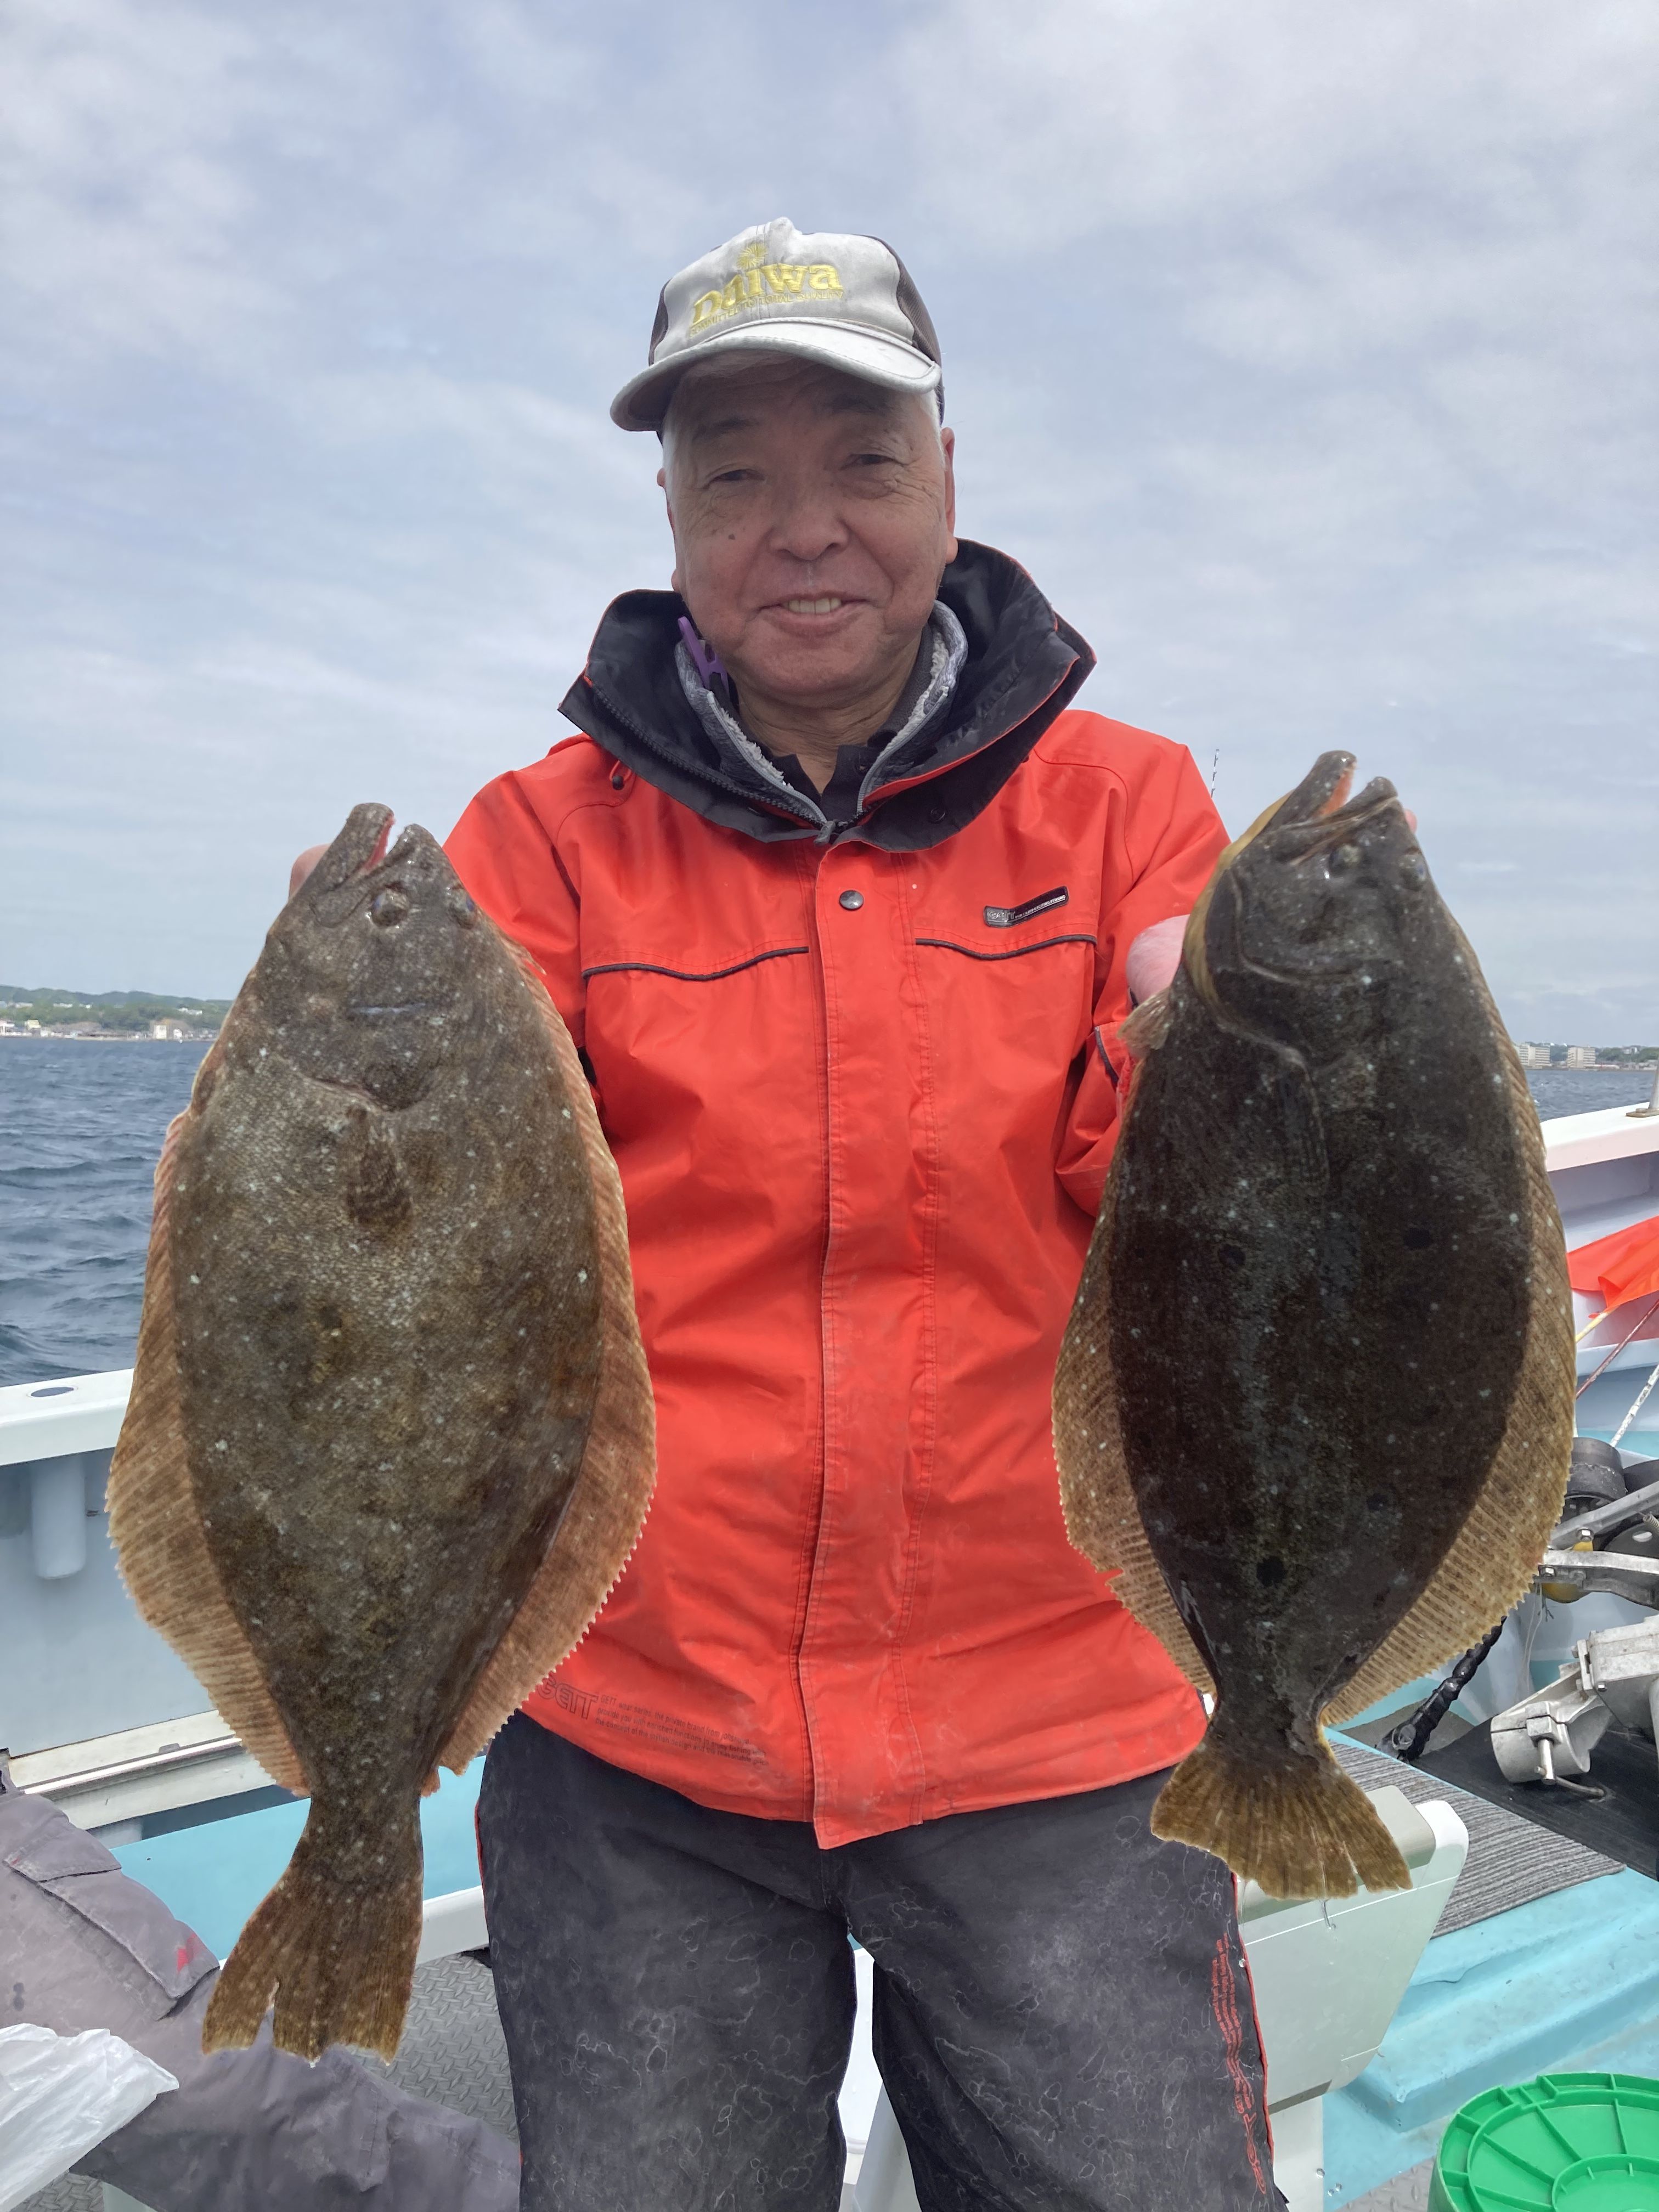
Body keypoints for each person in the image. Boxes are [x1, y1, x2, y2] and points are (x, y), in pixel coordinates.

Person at [302, 217, 1279, 2211]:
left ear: (947, 481)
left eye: (861, 463)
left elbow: (1199, 1238)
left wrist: (1240, 1069)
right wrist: (308, 1082)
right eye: (735, 475)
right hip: (640, 1735)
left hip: (1053, 1721)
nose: (803, 527)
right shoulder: (535, 844)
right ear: (673, 518)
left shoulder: (1127, 808)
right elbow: (403, 1247)